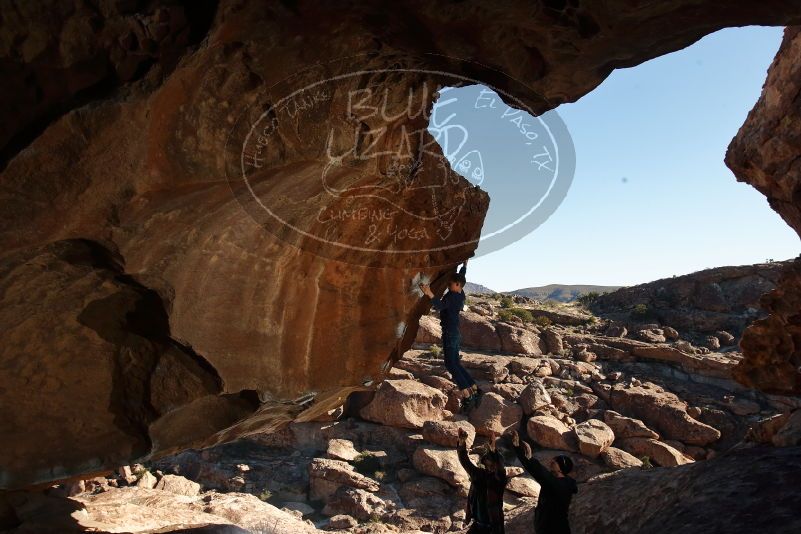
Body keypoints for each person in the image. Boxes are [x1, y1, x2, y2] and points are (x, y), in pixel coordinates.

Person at [420, 260, 480, 411]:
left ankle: (467, 395)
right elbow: (460, 276)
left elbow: (439, 305)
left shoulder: (452, 297)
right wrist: (464, 266)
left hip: (450, 333)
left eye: (450, 284)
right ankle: (474, 388)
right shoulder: (460, 293)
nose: (448, 286)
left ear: (457, 285)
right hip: (454, 332)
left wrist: (429, 293)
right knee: (455, 363)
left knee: (450, 364)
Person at [509, 429, 577, 534]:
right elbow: (538, 471)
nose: (552, 461)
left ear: (561, 468)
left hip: (552, 528)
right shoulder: (562, 482)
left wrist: (529, 458)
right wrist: (518, 448)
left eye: (555, 462)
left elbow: (539, 472)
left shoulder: (558, 484)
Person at [456, 428, 507, 533]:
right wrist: (461, 443)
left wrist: (493, 450)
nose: (488, 465)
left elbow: (501, 469)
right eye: (487, 462)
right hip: (477, 525)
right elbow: (465, 462)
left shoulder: (498, 481)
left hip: (492, 529)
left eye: (491, 462)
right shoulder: (478, 475)